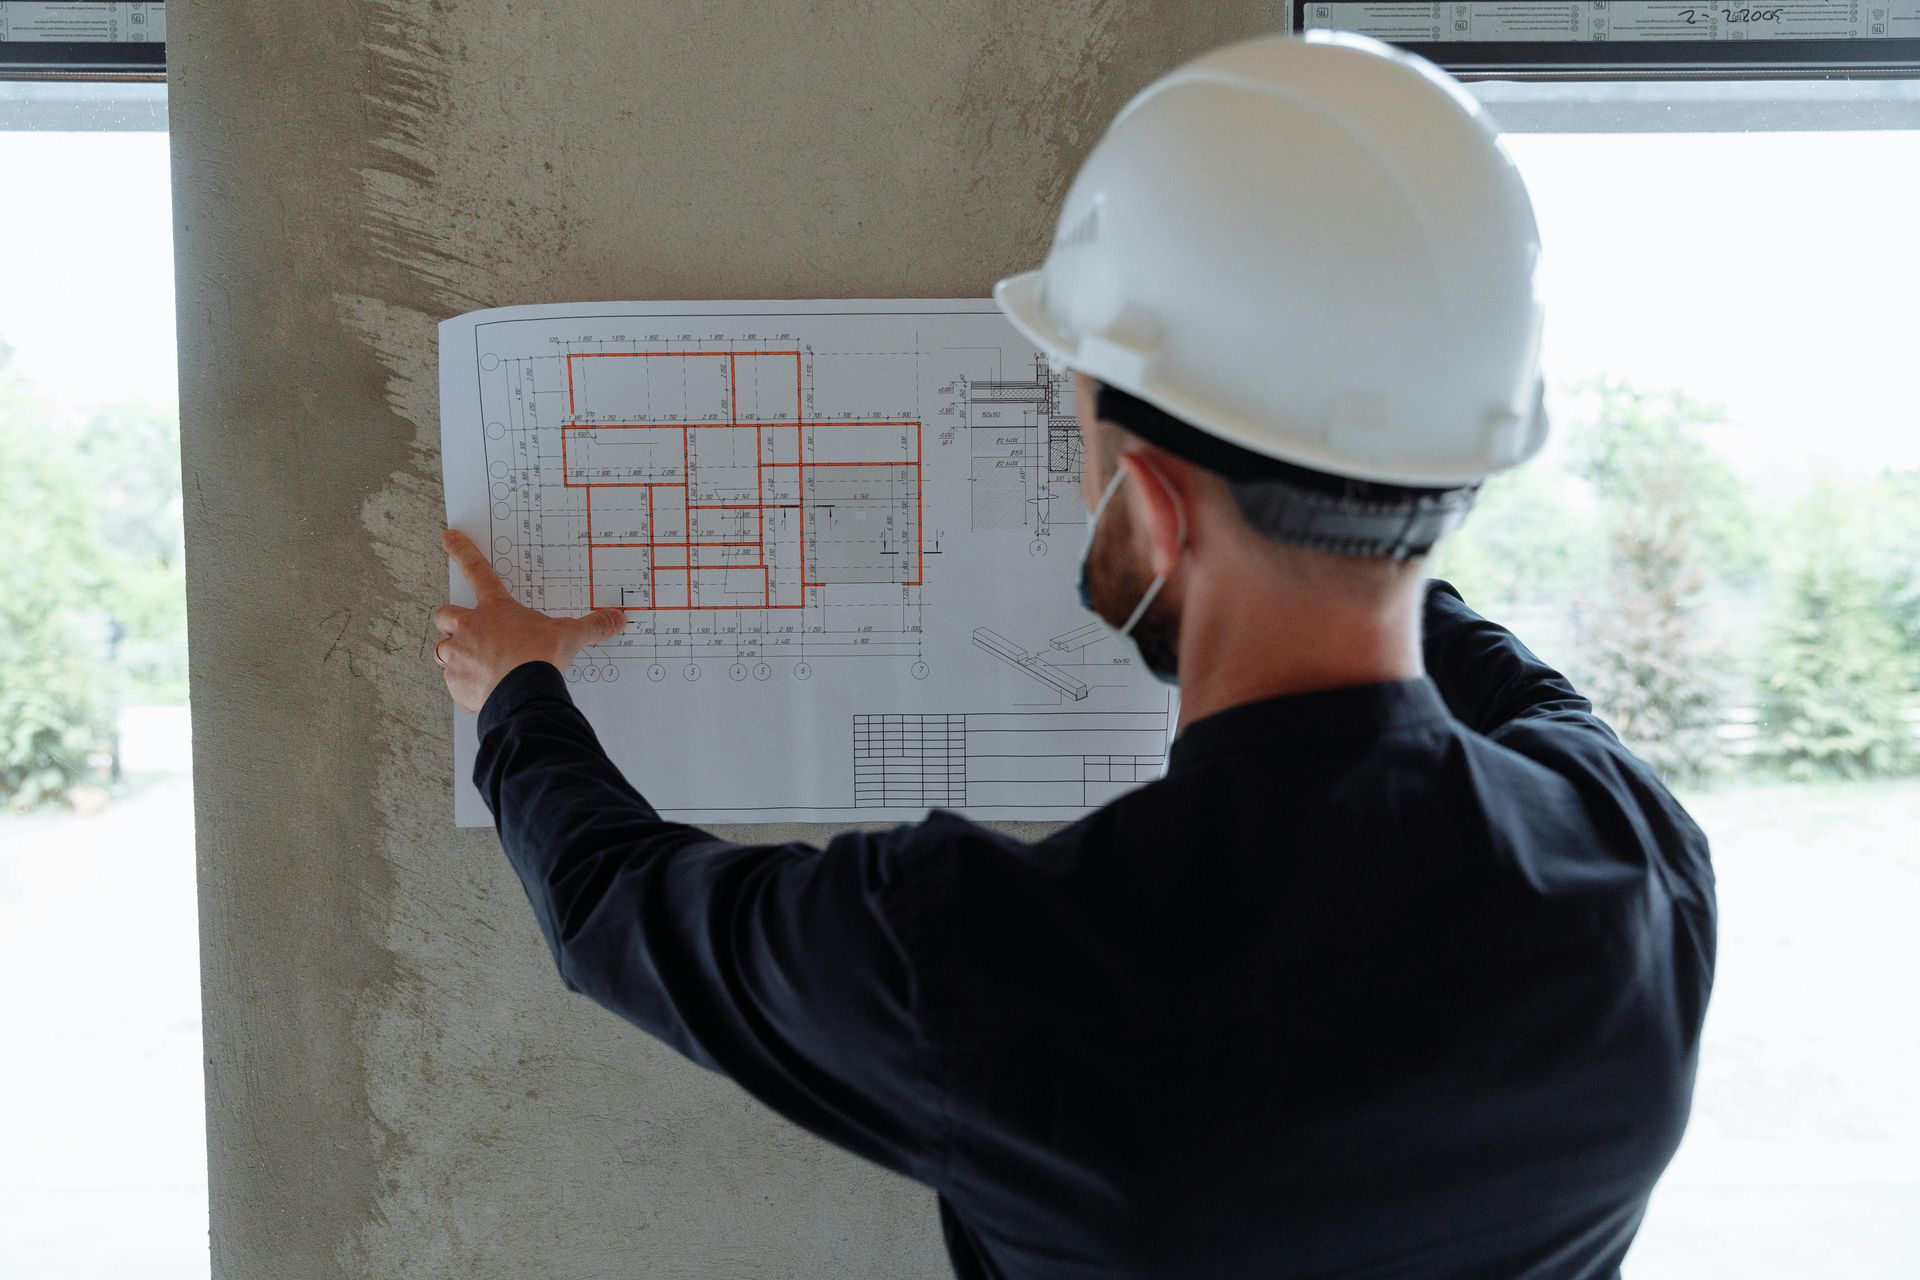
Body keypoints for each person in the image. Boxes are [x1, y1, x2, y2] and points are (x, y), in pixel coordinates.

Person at [431, 31, 1715, 1280]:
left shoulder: (994, 963)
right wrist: (1347, 528)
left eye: (1089, 453)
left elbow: (615, 911)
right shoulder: (1635, 866)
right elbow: (1516, 683)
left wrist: (515, 685)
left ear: (1150, 510)